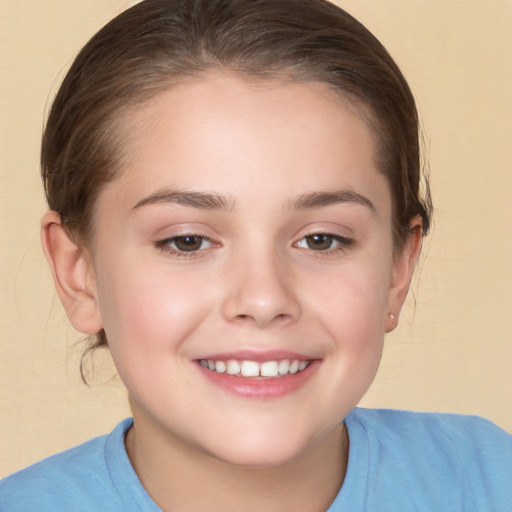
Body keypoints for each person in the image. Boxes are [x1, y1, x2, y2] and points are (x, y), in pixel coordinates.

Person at [0, 0, 510, 510]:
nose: (264, 300)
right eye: (187, 241)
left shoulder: (491, 482)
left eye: (321, 239)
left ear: (399, 269)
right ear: (78, 273)